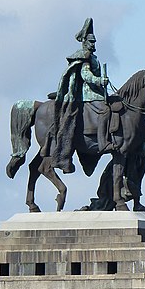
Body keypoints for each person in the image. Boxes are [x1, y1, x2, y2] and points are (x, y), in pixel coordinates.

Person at [51, 17, 111, 174]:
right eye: (91, 41)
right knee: (105, 110)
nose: (93, 44)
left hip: (95, 93)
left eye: (94, 42)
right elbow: (86, 75)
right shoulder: (84, 56)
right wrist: (100, 80)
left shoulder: (93, 58)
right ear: (85, 42)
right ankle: (103, 141)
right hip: (86, 95)